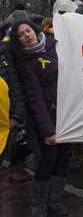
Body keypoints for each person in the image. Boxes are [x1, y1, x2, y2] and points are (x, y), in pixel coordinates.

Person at [10, 18, 69, 217]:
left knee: (64, 157)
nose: (26, 35)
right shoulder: (24, 63)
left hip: (67, 113)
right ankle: (39, 204)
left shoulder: (56, 45)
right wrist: (48, 130)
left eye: (28, 30)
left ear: (34, 30)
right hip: (43, 118)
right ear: (18, 42)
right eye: (21, 35)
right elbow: (35, 97)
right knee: (48, 158)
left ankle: (55, 201)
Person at [1, 11, 34, 183]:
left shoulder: (21, 48)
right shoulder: (7, 49)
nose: (25, 35)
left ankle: (19, 167)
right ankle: (13, 170)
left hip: (24, 98)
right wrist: (16, 109)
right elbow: (11, 80)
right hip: (13, 100)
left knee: (24, 138)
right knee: (17, 137)